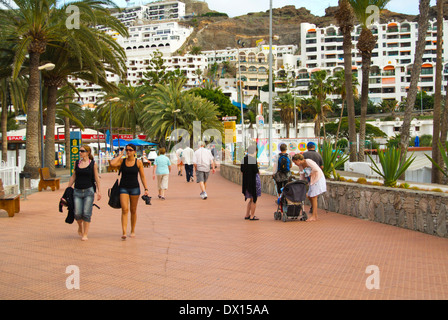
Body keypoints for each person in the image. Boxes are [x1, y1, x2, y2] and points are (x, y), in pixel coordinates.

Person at [110, 143, 149, 240]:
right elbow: (112, 163)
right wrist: (120, 154)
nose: (128, 152)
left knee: (133, 210)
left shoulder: (138, 162)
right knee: (125, 209)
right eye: (127, 150)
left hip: (135, 188)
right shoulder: (122, 161)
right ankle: (124, 231)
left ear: (135, 152)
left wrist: (146, 189)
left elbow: (142, 176)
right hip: (123, 188)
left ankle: (132, 230)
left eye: (130, 150)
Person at [67, 145, 101, 241]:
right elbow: (73, 176)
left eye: (82, 151)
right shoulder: (77, 163)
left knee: (86, 213)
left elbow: (96, 178)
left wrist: (99, 191)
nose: (80, 153)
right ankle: (80, 226)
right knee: (77, 213)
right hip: (77, 190)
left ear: (88, 152)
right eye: (80, 151)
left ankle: (85, 234)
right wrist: (68, 188)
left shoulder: (93, 164)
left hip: (89, 191)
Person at [292, 153, 327, 222]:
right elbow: (302, 174)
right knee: (309, 196)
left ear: (298, 160)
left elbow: (316, 169)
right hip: (311, 180)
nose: (295, 164)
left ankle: (314, 216)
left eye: (295, 162)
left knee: (313, 196)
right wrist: (300, 183)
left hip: (317, 179)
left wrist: (309, 172)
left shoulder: (308, 161)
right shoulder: (301, 165)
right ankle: (315, 214)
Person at [241, 145, 261, 221]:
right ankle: (252, 215)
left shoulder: (244, 159)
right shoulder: (252, 159)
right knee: (254, 199)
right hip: (253, 181)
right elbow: (255, 170)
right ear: (254, 151)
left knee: (250, 199)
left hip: (246, 182)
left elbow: (242, 170)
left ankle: (247, 215)